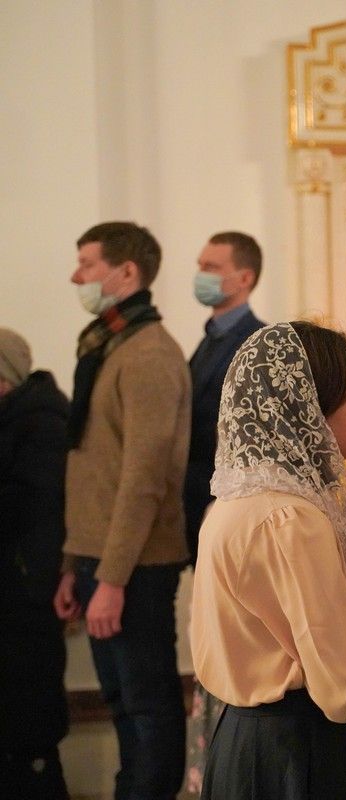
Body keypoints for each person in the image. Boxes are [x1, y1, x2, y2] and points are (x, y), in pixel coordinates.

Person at [189, 321, 346, 799]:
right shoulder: (293, 520)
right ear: (306, 407)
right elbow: (343, 689)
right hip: (297, 751)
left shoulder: (233, 502)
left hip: (242, 740)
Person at [53, 221, 191, 800]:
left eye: (88, 264)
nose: (76, 276)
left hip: (135, 566)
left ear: (127, 272)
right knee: (120, 702)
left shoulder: (149, 354)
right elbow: (92, 465)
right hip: (99, 558)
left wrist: (111, 579)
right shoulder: (108, 344)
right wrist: (73, 563)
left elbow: (143, 480)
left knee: (146, 704)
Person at [0, 329, 70, 800]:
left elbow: (30, 504)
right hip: (16, 591)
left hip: (28, 593)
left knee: (30, 720)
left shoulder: (40, 422)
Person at [184, 231, 266, 563]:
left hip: (224, 498)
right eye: (200, 265)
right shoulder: (211, 337)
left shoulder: (257, 341)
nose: (201, 274)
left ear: (245, 278)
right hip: (194, 493)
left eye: (212, 267)